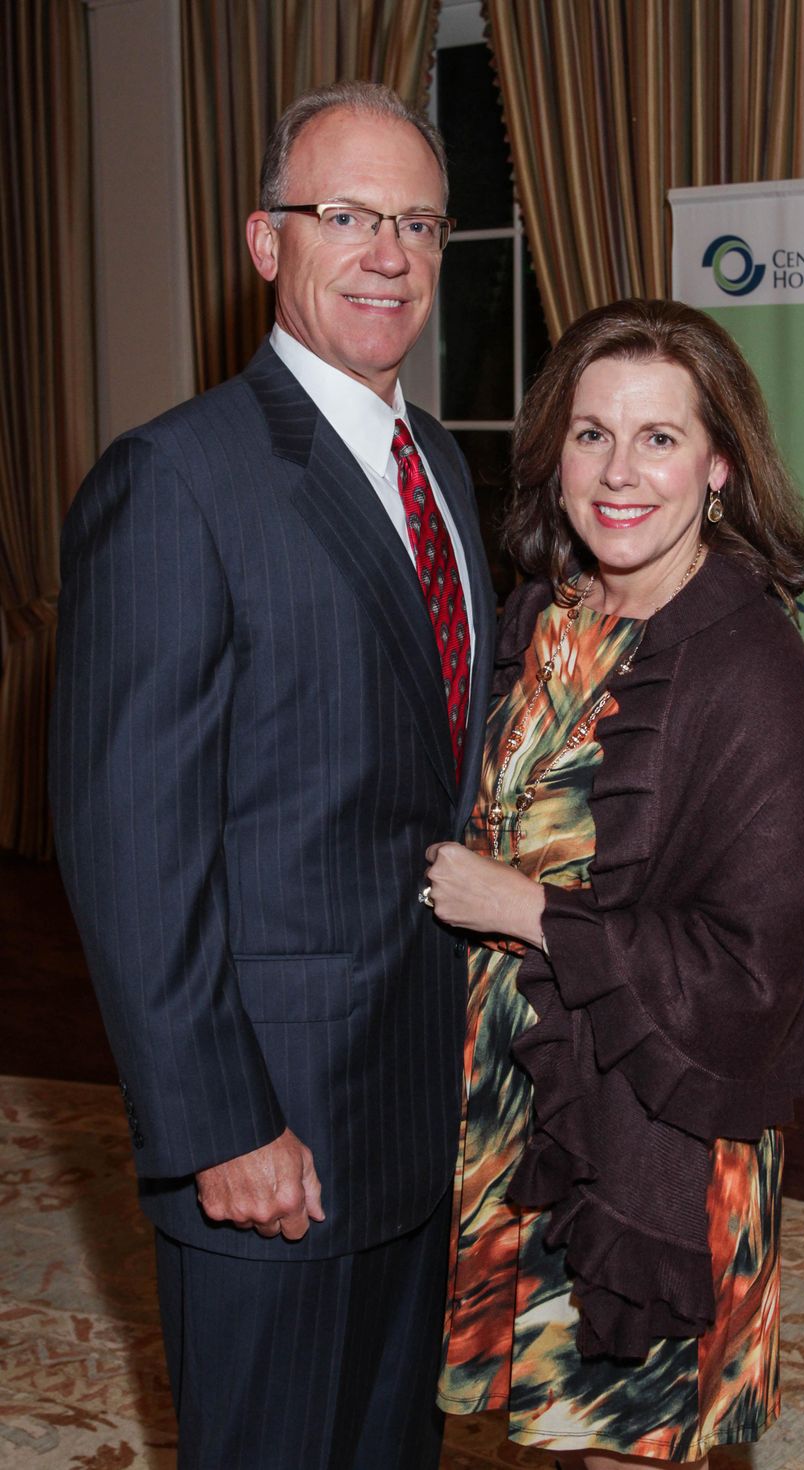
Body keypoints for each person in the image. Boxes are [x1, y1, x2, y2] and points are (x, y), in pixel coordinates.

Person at [50, 81, 494, 1469]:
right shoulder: (175, 482)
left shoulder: (444, 470)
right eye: (346, 214)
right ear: (263, 242)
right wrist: (222, 1123)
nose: (390, 252)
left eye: (419, 221)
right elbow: (133, 844)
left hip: (418, 1114)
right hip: (271, 1134)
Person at [423, 298, 804, 1467]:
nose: (618, 470)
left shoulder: (749, 663)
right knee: (533, 1430)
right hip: (506, 1108)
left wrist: (528, 910)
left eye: (658, 437)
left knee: (620, 1445)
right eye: (591, 432)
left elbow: (754, 961)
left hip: (650, 1127)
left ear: (715, 465)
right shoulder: (533, 623)